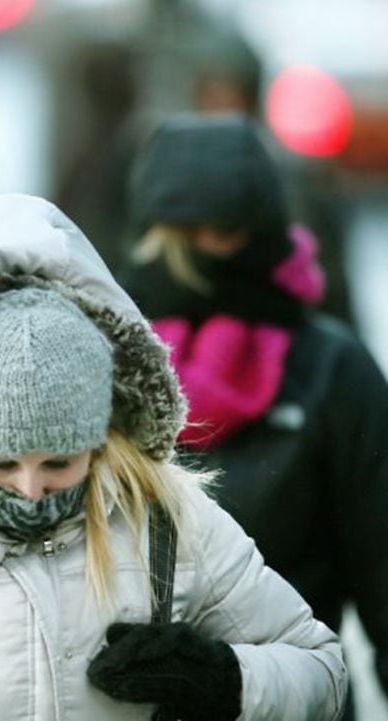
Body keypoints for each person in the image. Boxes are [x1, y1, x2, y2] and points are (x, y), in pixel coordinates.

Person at [0, 194, 346, 720]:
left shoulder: (172, 528)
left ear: (101, 440)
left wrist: (223, 680)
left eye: (59, 462)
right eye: (1, 463)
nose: (31, 488)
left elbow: (322, 667)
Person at [122, 115, 388, 720]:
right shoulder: (107, 360)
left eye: (223, 230)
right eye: (179, 233)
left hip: (291, 696)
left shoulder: (330, 369)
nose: (194, 257)